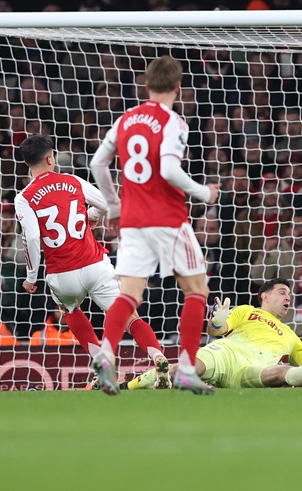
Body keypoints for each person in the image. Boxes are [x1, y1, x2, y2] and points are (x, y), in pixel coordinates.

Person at [89, 55, 219, 395]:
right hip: (168, 219)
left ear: (146, 87)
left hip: (132, 221)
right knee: (196, 291)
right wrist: (204, 192)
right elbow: (169, 171)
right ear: (178, 87)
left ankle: (105, 353)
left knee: (130, 295)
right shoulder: (173, 122)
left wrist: (115, 206)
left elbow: (97, 163)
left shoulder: (126, 119)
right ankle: (187, 369)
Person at [14, 134, 171, 388]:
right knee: (130, 318)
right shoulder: (72, 181)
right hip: (95, 264)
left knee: (69, 311)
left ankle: (100, 362)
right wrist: (91, 215)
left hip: (62, 274)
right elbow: (109, 203)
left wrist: (31, 278)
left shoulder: (24, 197)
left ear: (27, 163)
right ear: (51, 158)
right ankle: (157, 355)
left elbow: (31, 237)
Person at [124, 279, 302, 390]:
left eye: (290, 295)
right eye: (282, 292)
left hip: (253, 369)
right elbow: (216, 331)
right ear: (264, 296)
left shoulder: (291, 335)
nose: (288, 297)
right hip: (227, 352)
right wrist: (216, 321)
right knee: (191, 367)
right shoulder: (246, 311)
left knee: (281, 374)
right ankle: (130, 386)